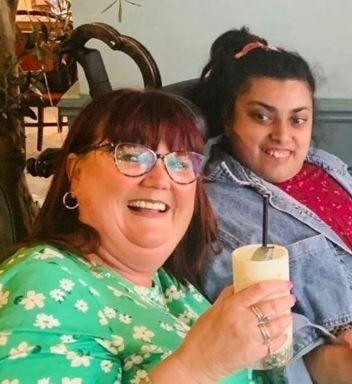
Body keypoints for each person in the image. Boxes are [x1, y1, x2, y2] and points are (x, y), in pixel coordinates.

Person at [191, 28, 352, 384]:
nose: (283, 135)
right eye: (262, 117)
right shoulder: (216, 207)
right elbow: (255, 323)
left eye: (297, 119)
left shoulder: (326, 168)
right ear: (229, 119)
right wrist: (339, 362)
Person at [0, 89, 295, 384]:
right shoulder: (45, 281)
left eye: (180, 162)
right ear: (75, 174)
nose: (159, 179)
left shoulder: (171, 287)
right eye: (131, 155)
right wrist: (197, 368)